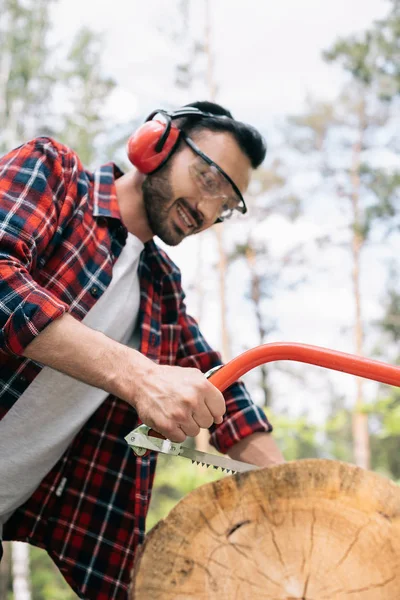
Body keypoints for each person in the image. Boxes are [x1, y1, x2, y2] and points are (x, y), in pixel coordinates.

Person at [0, 101, 284, 598]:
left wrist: (294, 494)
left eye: (226, 206)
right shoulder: (57, 175)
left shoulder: (160, 289)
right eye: (209, 179)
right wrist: (138, 376)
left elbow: (224, 396)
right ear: (157, 143)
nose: (208, 211)